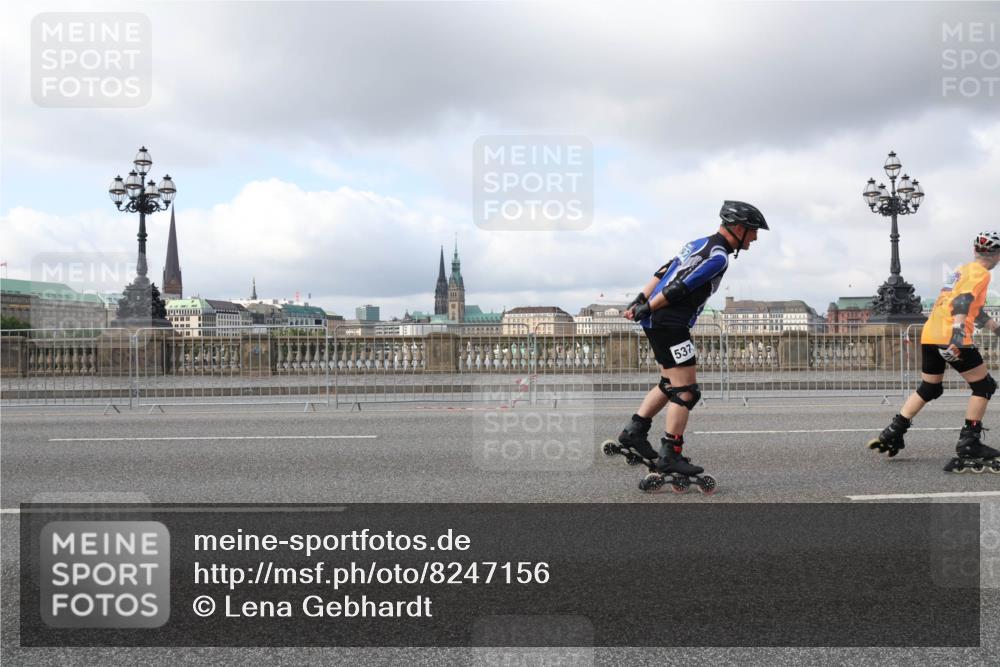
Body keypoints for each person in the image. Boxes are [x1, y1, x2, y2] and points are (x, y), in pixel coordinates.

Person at [612, 201, 769, 480]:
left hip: (658, 321)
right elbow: (680, 285)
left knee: (668, 383)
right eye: (753, 231)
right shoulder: (718, 256)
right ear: (739, 228)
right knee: (686, 392)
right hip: (671, 323)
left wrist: (641, 299)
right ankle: (670, 455)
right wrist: (650, 305)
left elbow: (665, 269)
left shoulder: (698, 243)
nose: (755, 238)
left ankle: (634, 432)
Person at [868, 231, 1000, 472]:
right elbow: (962, 300)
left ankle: (893, 432)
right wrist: (958, 336)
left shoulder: (961, 271)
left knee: (930, 387)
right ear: (997, 255)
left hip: (930, 334)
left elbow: (975, 310)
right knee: (984, 386)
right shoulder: (981, 273)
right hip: (951, 336)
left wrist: (997, 330)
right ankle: (970, 442)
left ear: (975, 251)